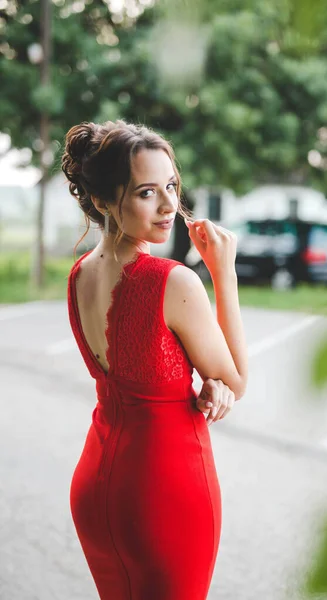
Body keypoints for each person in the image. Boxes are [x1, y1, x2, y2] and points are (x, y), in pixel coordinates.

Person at [62, 119, 248, 600]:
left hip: (97, 485)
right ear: (102, 201)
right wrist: (222, 273)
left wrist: (211, 386)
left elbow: (144, 363)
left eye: (171, 185)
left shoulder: (79, 274)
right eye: (147, 192)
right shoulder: (173, 281)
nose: (169, 206)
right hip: (163, 493)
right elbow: (236, 379)